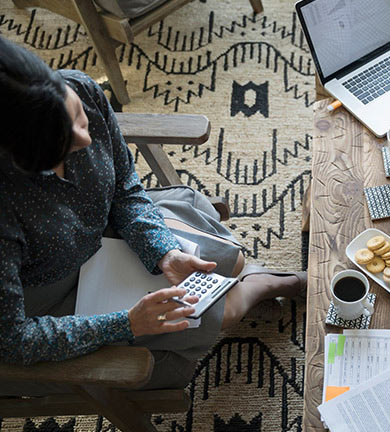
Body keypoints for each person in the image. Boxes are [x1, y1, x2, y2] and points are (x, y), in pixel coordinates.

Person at [0, 37, 305, 393]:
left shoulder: (80, 87)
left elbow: (126, 188)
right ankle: (264, 284)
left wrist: (163, 252)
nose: (84, 140)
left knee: (230, 261)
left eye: (80, 119)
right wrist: (126, 324)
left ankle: (248, 277)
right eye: (63, 147)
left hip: (107, 228)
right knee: (226, 310)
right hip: (49, 292)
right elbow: (13, 339)